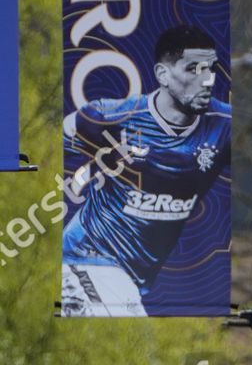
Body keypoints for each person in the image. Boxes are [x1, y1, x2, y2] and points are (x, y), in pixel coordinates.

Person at [62, 24, 231, 317]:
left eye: (210, 69)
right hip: (87, 256)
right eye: (194, 69)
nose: (207, 80)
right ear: (162, 75)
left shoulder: (224, 125)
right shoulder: (115, 117)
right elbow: (63, 131)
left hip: (135, 279)